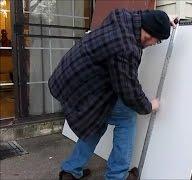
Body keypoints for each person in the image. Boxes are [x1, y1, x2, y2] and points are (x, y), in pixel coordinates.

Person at [48, 9, 175, 180]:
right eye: (157, 41)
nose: (154, 44)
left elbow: (142, 15)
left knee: (96, 122)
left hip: (69, 78)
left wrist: (164, 19)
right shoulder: (126, 48)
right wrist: (148, 106)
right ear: (150, 35)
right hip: (82, 87)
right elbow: (129, 91)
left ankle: (70, 171)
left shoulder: (122, 17)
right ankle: (117, 177)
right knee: (127, 118)